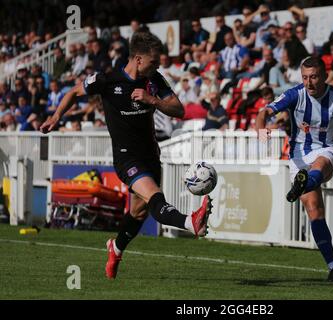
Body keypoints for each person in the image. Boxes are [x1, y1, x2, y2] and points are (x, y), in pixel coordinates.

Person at [40, 31, 212, 279]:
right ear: (138, 59)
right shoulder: (107, 80)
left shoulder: (154, 81)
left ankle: (116, 248)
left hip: (151, 155)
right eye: (154, 62)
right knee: (155, 197)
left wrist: (152, 99)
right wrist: (56, 118)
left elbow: (179, 110)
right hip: (126, 158)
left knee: (139, 212)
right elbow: (73, 93)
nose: (158, 66)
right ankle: (191, 222)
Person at [256, 56, 333, 282]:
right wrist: (263, 136)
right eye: (305, 77)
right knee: (314, 210)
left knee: (318, 166)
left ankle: (302, 185)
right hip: (298, 155)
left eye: (314, 77)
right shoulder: (294, 94)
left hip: (327, 150)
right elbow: (263, 114)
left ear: (325, 76)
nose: (309, 83)